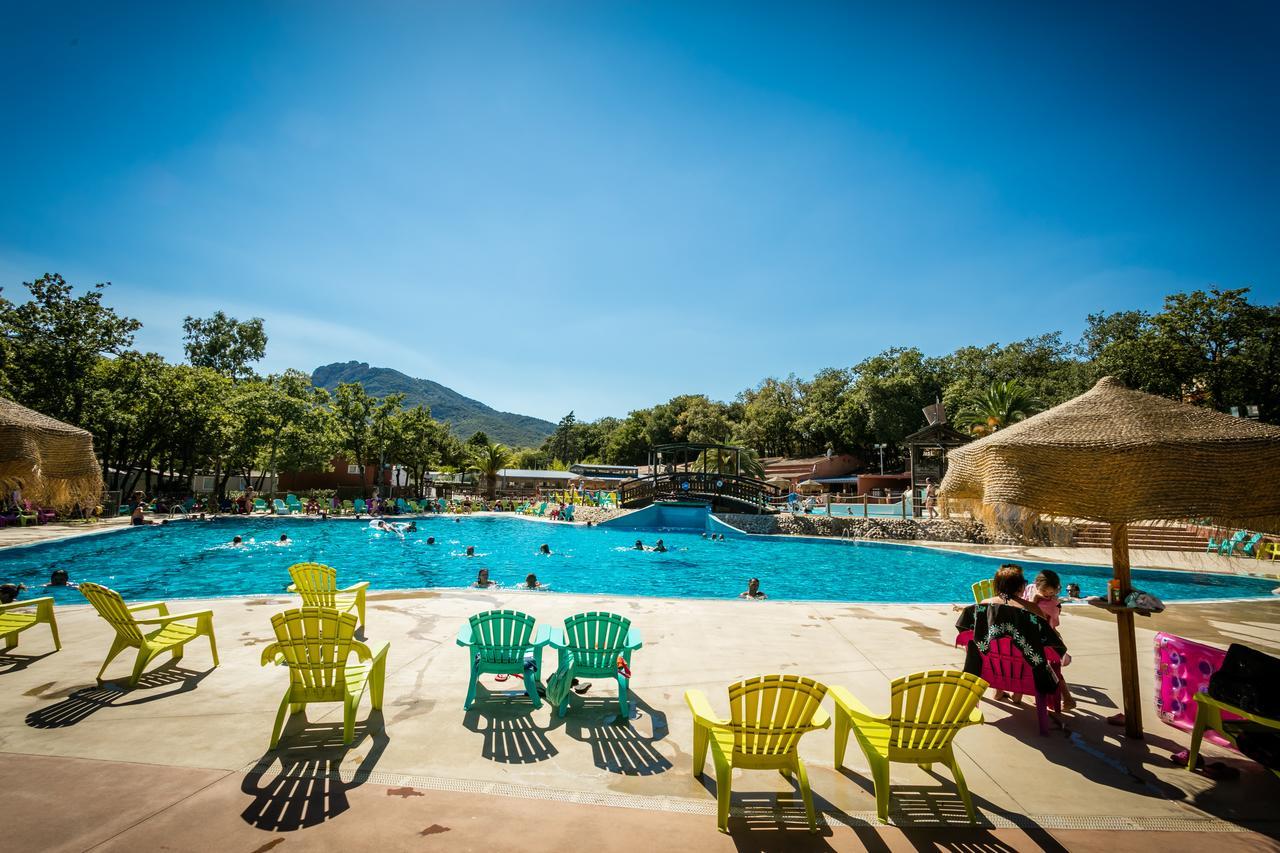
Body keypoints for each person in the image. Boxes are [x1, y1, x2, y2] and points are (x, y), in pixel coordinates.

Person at [956, 564, 1067, 706]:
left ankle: (999, 690)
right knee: (1024, 651)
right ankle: (1017, 694)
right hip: (1025, 675)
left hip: (990, 669)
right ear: (1021, 586)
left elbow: (969, 636)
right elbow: (1046, 643)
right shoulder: (1032, 609)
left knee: (1000, 646)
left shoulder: (983, 606)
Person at [1023, 569, 1076, 710]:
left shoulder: (1052, 603)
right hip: (1033, 636)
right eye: (1045, 591)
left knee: (1051, 668)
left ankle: (1068, 698)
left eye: (1052, 592)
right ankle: (1051, 696)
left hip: (1045, 638)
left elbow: (1050, 622)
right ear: (1036, 585)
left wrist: (1034, 601)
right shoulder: (1029, 589)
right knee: (1042, 668)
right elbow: (1022, 607)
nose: (1048, 595)